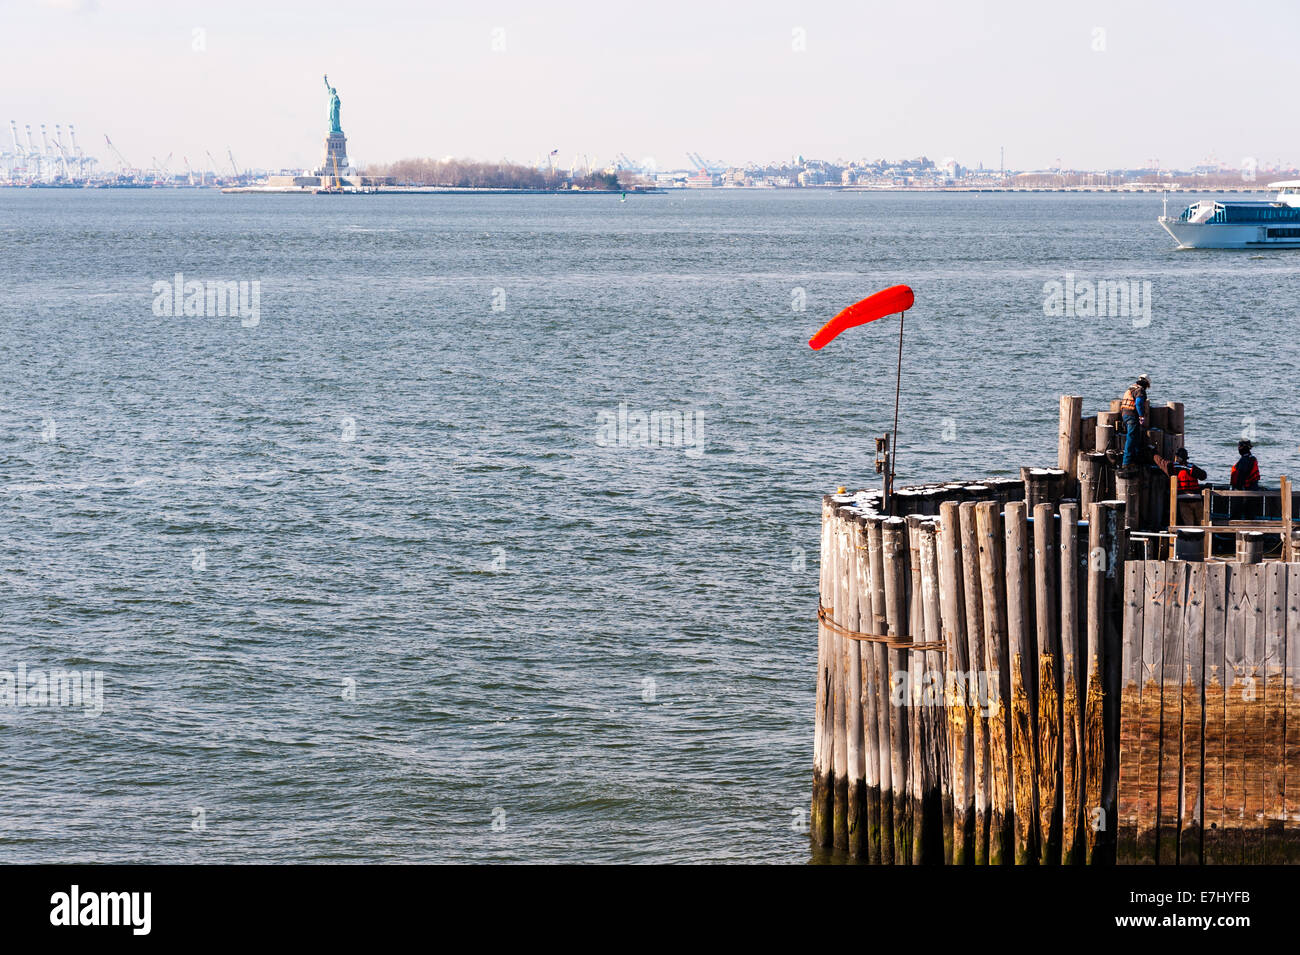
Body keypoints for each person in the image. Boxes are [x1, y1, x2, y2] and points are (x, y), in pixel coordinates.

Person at [1119, 375, 1150, 469]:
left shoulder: (1131, 388)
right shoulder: (1140, 390)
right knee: (1131, 438)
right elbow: (1139, 403)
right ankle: (1126, 462)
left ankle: (1135, 460)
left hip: (1125, 415)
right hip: (1132, 416)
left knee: (1135, 437)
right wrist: (1141, 416)